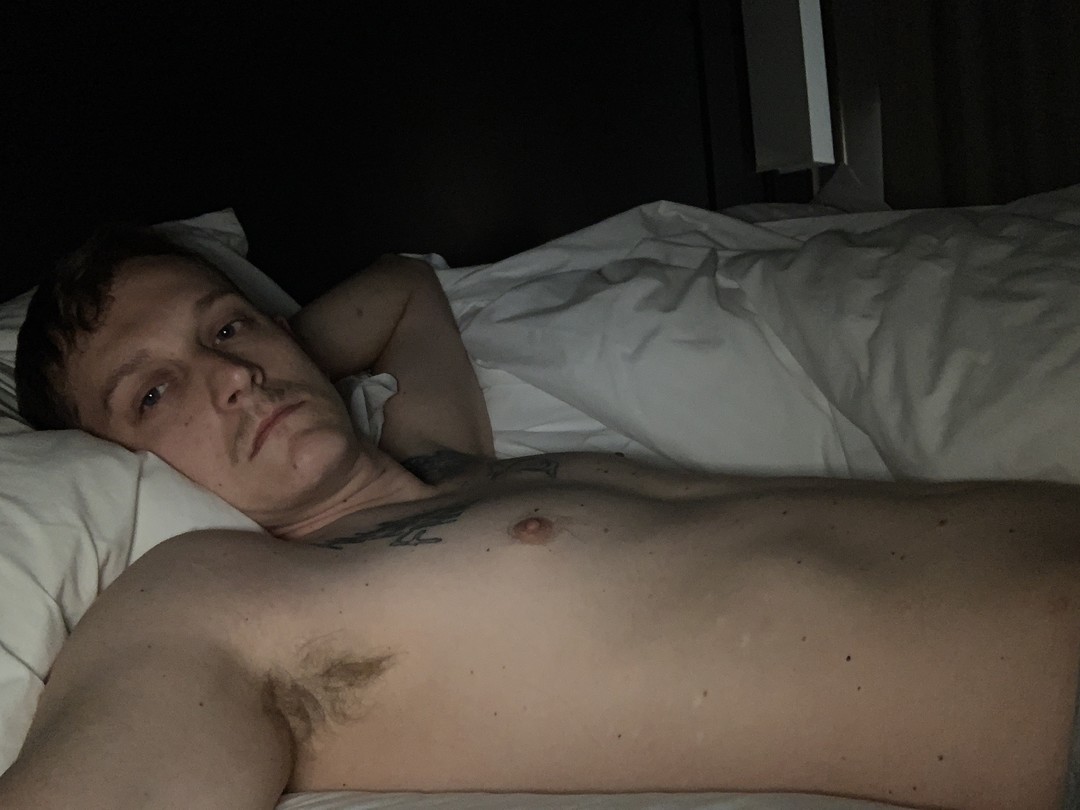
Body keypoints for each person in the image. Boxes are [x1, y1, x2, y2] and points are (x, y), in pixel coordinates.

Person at [2, 227, 1079, 810]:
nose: (230, 374)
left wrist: (278, 360)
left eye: (227, 328)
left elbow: (405, 293)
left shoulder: (447, 463)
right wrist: (251, 379)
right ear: (113, 461)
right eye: (155, 392)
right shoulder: (212, 597)